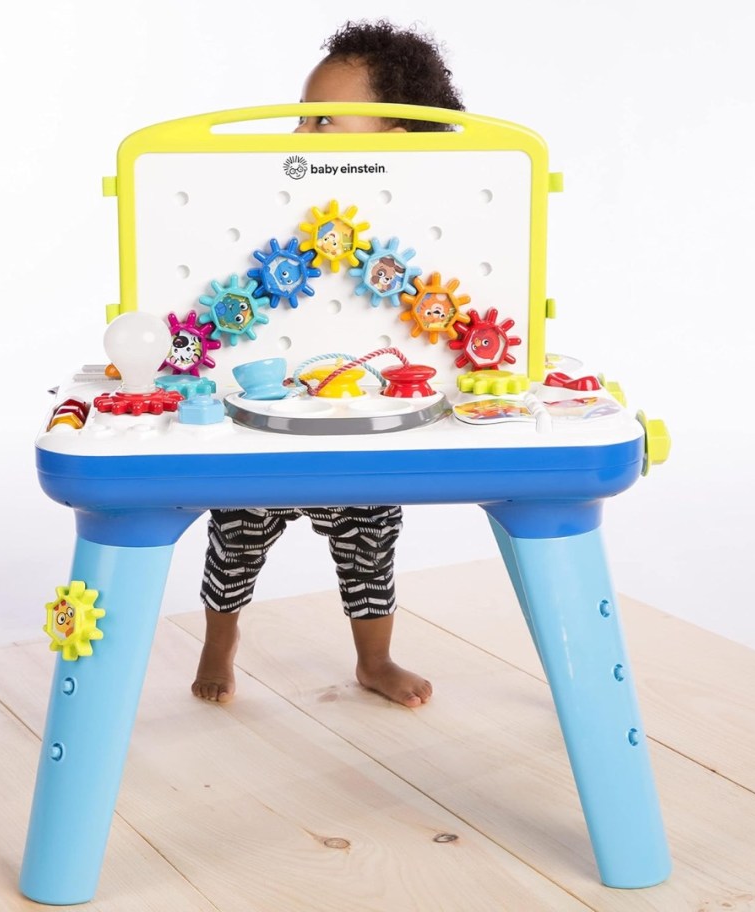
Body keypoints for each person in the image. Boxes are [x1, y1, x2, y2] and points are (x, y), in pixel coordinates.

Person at [191, 19, 464, 708]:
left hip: (364, 417)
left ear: (392, 142)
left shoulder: (427, 217)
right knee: (236, 537)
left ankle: (375, 660)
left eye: (323, 122)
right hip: (266, 412)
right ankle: (219, 641)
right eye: (301, 118)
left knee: (371, 540)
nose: (299, 137)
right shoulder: (270, 201)